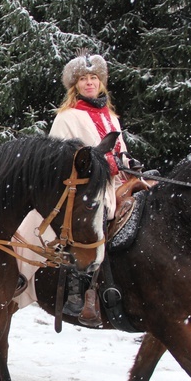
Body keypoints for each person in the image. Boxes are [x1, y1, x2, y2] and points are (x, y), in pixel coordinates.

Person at [50, 49, 130, 326]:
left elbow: (120, 150)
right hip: (86, 186)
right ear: (75, 85)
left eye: (93, 77)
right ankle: (79, 291)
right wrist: (95, 165)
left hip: (116, 181)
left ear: (101, 82)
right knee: (95, 221)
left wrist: (128, 163)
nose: (89, 83)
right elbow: (57, 158)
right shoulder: (67, 117)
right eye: (83, 79)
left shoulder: (111, 116)